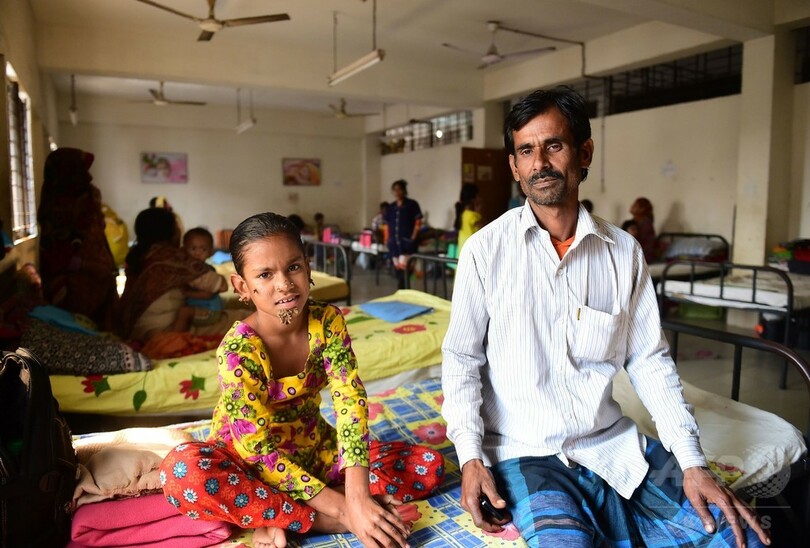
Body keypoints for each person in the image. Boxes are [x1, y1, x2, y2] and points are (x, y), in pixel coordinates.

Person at [441, 87, 769, 548]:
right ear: (514, 166)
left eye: (554, 145)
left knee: (737, 534)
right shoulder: (485, 252)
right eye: (526, 151)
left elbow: (649, 361)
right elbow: (461, 359)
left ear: (584, 153)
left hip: (613, 445)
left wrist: (691, 460)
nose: (540, 163)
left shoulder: (623, 253)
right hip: (523, 452)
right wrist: (470, 456)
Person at [160, 212, 444, 547]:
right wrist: (347, 510)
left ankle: (277, 514)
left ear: (308, 268)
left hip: (316, 451)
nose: (284, 284)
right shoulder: (238, 350)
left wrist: (358, 493)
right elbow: (258, 451)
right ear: (242, 287)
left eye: (293, 267)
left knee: (427, 465)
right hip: (250, 465)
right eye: (265, 274)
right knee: (182, 474)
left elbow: (350, 401)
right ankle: (322, 519)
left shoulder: (328, 321)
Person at [118, 208, 233, 342]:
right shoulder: (172, 257)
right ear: (171, 232)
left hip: (132, 331)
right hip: (164, 332)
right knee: (244, 321)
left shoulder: (136, 256)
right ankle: (175, 342)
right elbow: (221, 285)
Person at [37, 147, 119, 331]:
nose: (89, 177)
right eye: (83, 171)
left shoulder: (88, 197)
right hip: (76, 287)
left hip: (100, 281)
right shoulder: (57, 209)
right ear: (69, 173)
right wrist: (89, 266)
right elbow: (56, 255)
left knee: (102, 332)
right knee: (78, 331)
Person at [181, 227, 224, 328]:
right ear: (184, 250)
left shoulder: (207, 271)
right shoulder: (186, 269)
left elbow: (208, 295)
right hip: (200, 307)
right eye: (193, 248)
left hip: (210, 311)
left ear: (210, 252)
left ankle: (174, 335)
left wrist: (185, 293)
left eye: (203, 249)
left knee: (183, 313)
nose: (198, 253)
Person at [383, 180, 423, 288]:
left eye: (399, 189)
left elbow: (418, 222)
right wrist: (386, 239)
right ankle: (404, 292)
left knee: (405, 272)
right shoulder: (391, 207)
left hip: (407, 244)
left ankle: (401, 292)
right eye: (394, 190)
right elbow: (386, 225)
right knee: (398, 271)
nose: (396, 192)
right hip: (394, 244)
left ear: (404, 191)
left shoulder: (412, 204)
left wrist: (413, 237)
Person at [453, 184, 482, 255]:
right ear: (473, 199)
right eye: (479, 196)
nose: (481, 198)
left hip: (461, 254)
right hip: (470, 255)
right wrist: (479, 212)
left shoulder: (462, 213)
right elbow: (486, 230)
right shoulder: (473, 216)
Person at [630, 196, 658, 263]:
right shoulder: (631, 223)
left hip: (644, 256)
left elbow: (641, 244)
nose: (632, 206)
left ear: (642, 209)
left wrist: (633, 236)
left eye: (635, 205)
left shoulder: (646, 224)